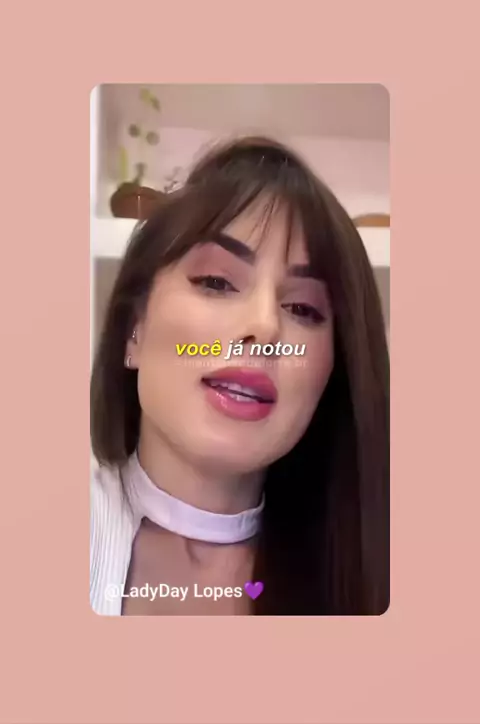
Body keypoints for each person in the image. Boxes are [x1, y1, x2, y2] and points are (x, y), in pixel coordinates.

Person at [90, 136, 389, 616]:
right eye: (216, 282)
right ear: (133, 331)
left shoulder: (375, 581)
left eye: (303, 309)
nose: (265, 327)